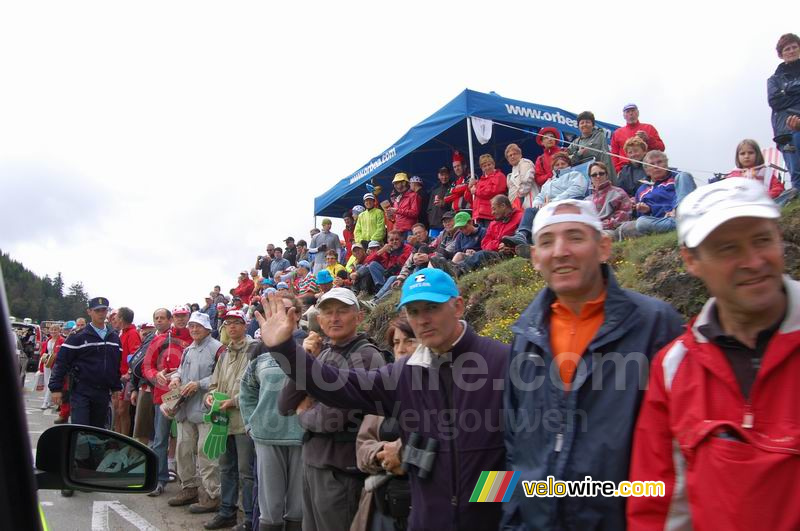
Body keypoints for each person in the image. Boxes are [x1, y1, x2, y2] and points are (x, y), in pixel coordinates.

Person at [257, 270, 510, 531]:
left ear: (457, 307)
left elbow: (525, 460)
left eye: (432, 307)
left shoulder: (502, 362)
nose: (422, 320)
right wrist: (285, 349)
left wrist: (485, 503)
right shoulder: (405, 373)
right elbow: (338, 385)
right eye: (413, 311)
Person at [628, 178, 800, 530]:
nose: (753, 261)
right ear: (691, 260)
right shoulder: (673, 366)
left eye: (762, 240)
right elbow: (657, 504)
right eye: (728, 249)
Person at [503, 200, 683, 530]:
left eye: (575, 237)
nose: (561, 251)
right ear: (535, 258)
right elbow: (512, 446)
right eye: (547, 241)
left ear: (603, 248)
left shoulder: (655, 324)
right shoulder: (524, 336)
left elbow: (680, 452)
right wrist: (511, 522)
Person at [274, 289, 387, 531]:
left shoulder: (366, 355)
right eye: (327, 313)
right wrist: (305, 356)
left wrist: (303, 412)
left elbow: (331, 418)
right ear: (319, 320)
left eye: (342, 311)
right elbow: (284, 404)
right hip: (313, 462)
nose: (334, 318)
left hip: (342, 471)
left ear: (358, 317)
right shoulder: (322, 352)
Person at [240, 297, 306, 531]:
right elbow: (247, 390)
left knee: (298, 508)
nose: (281, 313)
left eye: (287, 309)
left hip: (302, 437)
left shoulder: (311, 344)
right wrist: (250, 423)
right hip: (267, 436)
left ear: (298, 314)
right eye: (276, 309)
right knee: (269, 510)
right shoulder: (260, 350)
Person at [351, 318, 417, 531]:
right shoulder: (387, 390)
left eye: (410, 341)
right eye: (396, 343)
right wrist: (383, 453)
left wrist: (404, 453)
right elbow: (362, 448)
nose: (401, 349)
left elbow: (492, 460)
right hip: (384, 507)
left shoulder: (459, 389)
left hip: (431, 507)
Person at [203, 309, 258, 530]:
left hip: (244, 421)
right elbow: (214, 383)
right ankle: (227, 512)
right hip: (223, 420)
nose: (232, 326)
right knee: (226, 468)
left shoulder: (254, 349)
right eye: (228, 323)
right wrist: (210, 396)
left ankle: (250, 518)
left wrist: (234, 401)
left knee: (246, 472)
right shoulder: (224, 352)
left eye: (236, 322)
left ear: (245, 325)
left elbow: (257, 385)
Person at [168, 312, 226, 513]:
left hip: (206, 408)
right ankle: (189, 488)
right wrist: (176, 378)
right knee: (183, 450)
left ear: (208, 328)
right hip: (185, 408)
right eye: (191, 326)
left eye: (198, 326)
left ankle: (212, 494)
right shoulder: (188, 349)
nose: (194, 329)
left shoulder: (218, 348)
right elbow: (180, 370)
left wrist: (199, 384)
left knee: (206, 453)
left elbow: (222, 377)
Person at [49, 297, 122, 429]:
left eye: (104, 310)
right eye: (97, 310)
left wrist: (116, 386)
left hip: (103, 392)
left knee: (97, 431)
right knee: (81, 429)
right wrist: (55, 388)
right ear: (89, 312)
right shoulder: (78, 336)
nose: (101, 313)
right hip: (81, 391)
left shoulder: (114, 337)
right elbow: (62, 362)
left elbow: (116, 363)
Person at [143, 308, 190, 497]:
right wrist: (156, 375)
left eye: (183, 316)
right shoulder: (159, 339)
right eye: (177, 316)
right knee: (160, 439)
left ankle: (189, 484)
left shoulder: (197, 335)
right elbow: (147, 366)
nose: (180, 319)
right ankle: (159, 479)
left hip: (188, 396)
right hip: (163, 397)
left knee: (188, 440)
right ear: (173, 319)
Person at [617, 150, 697, 238]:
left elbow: (687, 194)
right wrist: (648, 210)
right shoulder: (641, 190)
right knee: (641, 222)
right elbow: (643, 216)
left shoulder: (678, 177)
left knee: (684, 175)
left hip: (683, 212)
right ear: (646, 170)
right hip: (664, 220)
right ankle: (684, 223)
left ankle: (681, 216)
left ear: (666, 164)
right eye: (652, 164)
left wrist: (675, 210)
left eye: (659, 162)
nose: (656, 166)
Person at [768, 33, 800, 191]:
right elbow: (775, 101)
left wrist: (787, 90)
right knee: (797, 173)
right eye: (787, 49)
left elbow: (782, 100)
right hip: (786, 132)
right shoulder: (774, 80)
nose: (791, 51)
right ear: (781, 54)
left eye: (794, 47)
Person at [727, 138, 795, 204]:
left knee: (791, 192)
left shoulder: (765, 172)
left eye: (750, 153)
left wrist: (767, 196)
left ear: (757, 155)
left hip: (764, 202)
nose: (746, 156)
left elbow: (778, 187)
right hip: (742, 204)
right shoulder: (734, 175)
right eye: (742, 153)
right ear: (737, 157)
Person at [351, 230, 413, 296]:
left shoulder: (407, 248)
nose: (394, 241)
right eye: (391, 240)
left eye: (397, 239)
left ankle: (375, 297)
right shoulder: (386, 250)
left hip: (399, 275)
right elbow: (368, 261)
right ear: (388, 242)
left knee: (390, 277)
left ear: (401, 239)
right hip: (386, 275)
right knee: (371, 265)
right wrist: (382, 250)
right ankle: (360, 290)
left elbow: (402, 264)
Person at [610, 103, 666, 172]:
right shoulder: (617, 133)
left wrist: (648, 139)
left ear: (638, 113)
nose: (631, 113)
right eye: (628, 112)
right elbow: (614, 155)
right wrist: (617, 170)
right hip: (625, 169)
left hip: (647, 167)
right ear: (624, 116)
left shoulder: (649, 128)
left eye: (633, 110)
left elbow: (661, 148)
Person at [588, 161, 634, 236]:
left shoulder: (619, 193)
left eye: (601, 173)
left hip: (612, 230)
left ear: (606, 175)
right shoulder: (587, 200)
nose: (598, 176)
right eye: (594, 175)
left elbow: (624, 216)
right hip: (592, 231)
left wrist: (599, 226)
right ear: (590, 178)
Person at [566, 110, 616, 180]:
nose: (585, 124)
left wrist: (577, 155)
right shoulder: (576, 142)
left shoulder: (599, 136)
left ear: (593, 125)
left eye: (587, 122)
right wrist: (578, 154)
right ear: (578, 126)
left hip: (601, 175)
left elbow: (591, 152)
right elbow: (565, 158)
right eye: (582, 123)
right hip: (583, 178)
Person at [114, 307, 141, 437]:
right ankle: (116, 437)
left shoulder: (132, 333)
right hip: (118, 377)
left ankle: (123, 440)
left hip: (126, 379)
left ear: (121, 318)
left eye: (116, 316)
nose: (114, 319)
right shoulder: (122, 333)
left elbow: (135, 356)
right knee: (117, 411)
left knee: (122, 410)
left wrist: (128, 373)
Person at [469, 154, 508, 228]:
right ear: (481, 168)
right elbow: (470, 198)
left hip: (492, 214)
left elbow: (492, 191)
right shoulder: (480, 181)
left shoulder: (499, 176)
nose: (487, 167)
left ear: (493, 164)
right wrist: (470, 187)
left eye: (489, 164)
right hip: (480, 214)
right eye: (484, 166)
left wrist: (476, 191)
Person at [504, 143, 537, 209]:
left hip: (527, 203)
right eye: (510, 155)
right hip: (515, 206)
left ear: (520, 155)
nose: (512, 156)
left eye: (514, 154)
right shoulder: (510, 174)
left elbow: (526, 182)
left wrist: (519, 198)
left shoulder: (525, 163)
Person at [40, 324, 63, 410]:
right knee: (47, 383)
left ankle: (45, 402)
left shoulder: (62, 341)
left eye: (55, 330)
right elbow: (44, 352)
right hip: (47, 363)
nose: (53, 331)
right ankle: (49, 401)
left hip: (56, 364)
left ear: (59, 331)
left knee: (50, 382)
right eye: (52, 330)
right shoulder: (48, 340)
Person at [427, 167, 453, 238]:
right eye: (442, 175)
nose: (444, 177)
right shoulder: (434, 190)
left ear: (449, 175)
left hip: (447, 224)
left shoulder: (453, 188)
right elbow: (429, 208)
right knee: (432, 244)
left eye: (446, 174)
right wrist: (431, 220)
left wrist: (444, 203)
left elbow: (454, 206)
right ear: (438, 176)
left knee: (446, 243)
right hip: (434, 226)